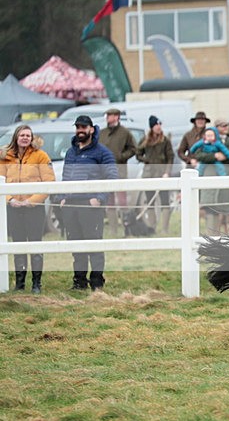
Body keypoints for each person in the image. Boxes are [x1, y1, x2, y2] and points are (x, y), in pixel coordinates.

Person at [56, 115, 118, 291]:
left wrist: (99, 197)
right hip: (70, 205)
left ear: (91, 129)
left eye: (83, 127)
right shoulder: (70, 152)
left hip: (90, 205)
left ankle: (97, 281)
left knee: (94, 243)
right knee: (75, 244)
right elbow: (66, 177)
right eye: (77, 127)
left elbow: (112, 176)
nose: (80, 130)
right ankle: (79, 280)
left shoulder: (102, 152)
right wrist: (62, 196)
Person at [0, 125, 55, 293]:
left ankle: (36, 283)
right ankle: (20, 282)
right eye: (22, 135)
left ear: (32, 138)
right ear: (16, 137)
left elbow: (48, 183)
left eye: (28, 135)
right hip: (14, 208)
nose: (25, 138)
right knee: (18, 244)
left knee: (35, 244)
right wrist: (10, 200)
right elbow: (1, 180)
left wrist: (31, 201)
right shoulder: (4, 157)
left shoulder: (41, 156)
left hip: (34, 208)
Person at [195, 119, 229, 233]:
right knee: (211, 207)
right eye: (222, 126)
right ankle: (212, 233)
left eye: (226, 126)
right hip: (210, 175)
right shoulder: (205, 141)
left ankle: (227, 234)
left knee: (225, 206)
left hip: (225, 176)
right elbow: (198, 155)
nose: (225, 128)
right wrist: (214, 156)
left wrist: (224, 157)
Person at [99, 107, 136, 237]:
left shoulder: (125, 133)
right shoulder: (101, 133)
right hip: (105, 172)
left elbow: (133, 149)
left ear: (116, 117)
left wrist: (121, 156)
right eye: (107, 115)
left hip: (119, 171)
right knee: (109, 203)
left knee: (122, 202)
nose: (107, 118)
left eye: (109, 115)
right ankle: (113, 230)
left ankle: (127, 229)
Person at [135, 116, 175, 234]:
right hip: (149, 174)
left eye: (159, 125)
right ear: (152, 127)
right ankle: (152, 228)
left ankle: (165, 229)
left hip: (162, 174)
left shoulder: (165, 140)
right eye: (156, 125)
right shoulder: (145, 140)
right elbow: (137, 153)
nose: (158, 127)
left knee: (165, 201)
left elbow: (170, 157)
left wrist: (167, 172)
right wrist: (145, 160)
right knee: (150, 201)